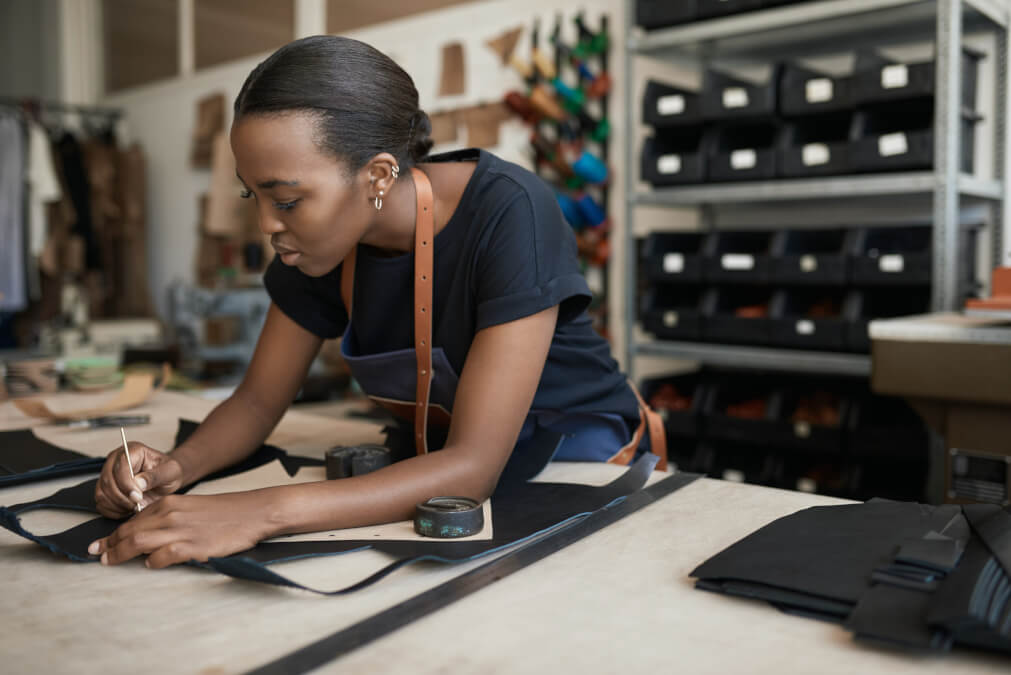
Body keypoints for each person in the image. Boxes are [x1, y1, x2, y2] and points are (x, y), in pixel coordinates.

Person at [89, 35, 665, 569]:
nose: (266, 224)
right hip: (442, 472)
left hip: (578, 462)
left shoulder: (510, 213)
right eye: (253, 194)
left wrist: (258, 512)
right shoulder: (320, 243)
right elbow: (258, 402)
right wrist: (177, 467)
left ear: (378, 176)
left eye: (286, 200)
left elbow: (472, 468)